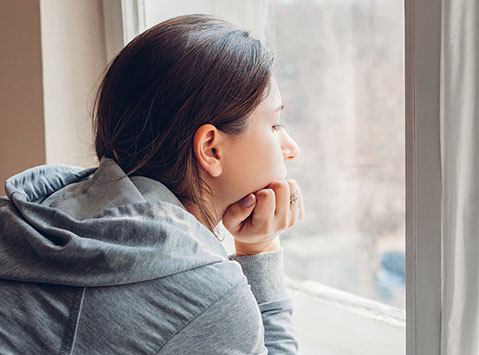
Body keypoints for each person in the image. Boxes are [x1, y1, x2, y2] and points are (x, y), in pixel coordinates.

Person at [0, 14, 302, 354]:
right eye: (274, 125)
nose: (291, 149)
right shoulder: (203, 294)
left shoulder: (42, 213)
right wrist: (260, 250)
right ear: (211, 149)